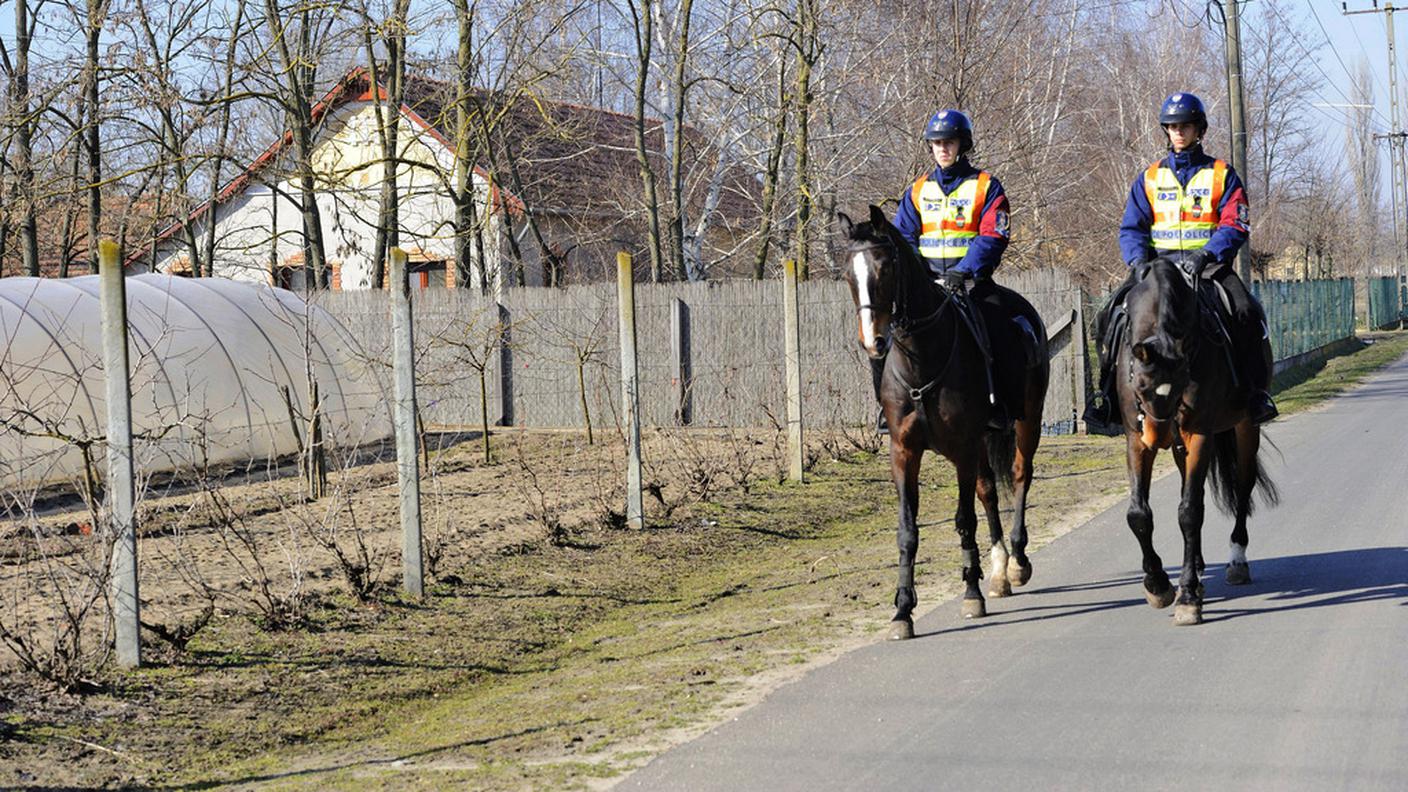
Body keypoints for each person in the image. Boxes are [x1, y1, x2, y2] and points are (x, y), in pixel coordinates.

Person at [1083, 92, 1276, 432]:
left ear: (1199, 130)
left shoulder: (1222, 174)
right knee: (1109, 315)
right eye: (1172, 127)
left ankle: (1255, 394)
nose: (1178, 133)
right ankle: (1107, 399)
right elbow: (1132, 227)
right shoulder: (1150, 177)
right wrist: (1139, 261)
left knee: (1247, 311)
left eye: (1185, 126)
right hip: (1159, 270)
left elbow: (1236, 222)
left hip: (1210, 268)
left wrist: (1208, 254)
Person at [875, 109, 1015, 433]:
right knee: (886, 333)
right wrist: (919, 274)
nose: (942, 148)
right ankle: (888, 408)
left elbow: (994, 233)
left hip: (970, 283)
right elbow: (904, 237)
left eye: (948, 142)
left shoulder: (986, 186)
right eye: (936, 143)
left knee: (1002, 329)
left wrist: (964, 270)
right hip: (926, 284)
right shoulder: (918, 190)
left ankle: (1001, 405)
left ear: (962, 144)